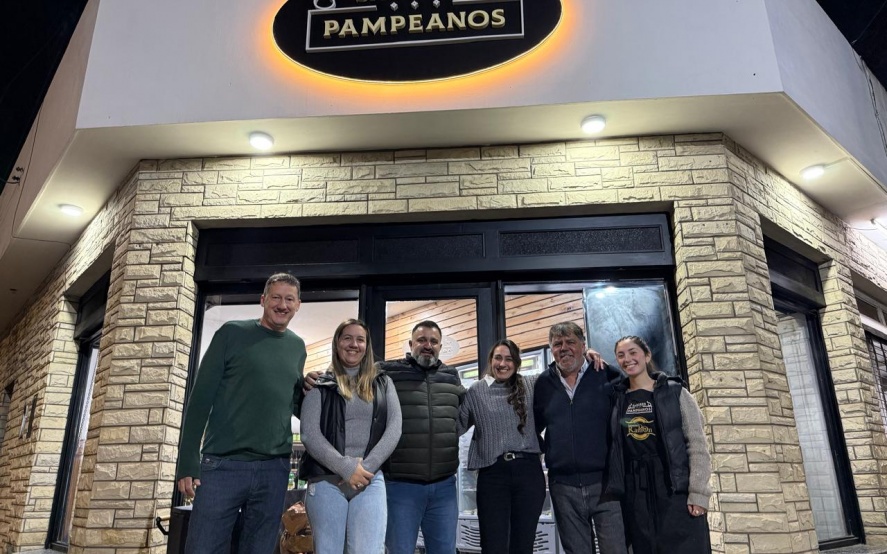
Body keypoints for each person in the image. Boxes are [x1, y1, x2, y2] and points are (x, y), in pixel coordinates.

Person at [175, 273, 307, 554]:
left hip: (274, 469)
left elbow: (291, 401)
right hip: (223, 465)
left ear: (298, 305)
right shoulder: (231, 333)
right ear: (263, 300)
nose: (282, 305)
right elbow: (200, 398)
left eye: (289, 299)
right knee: (203, 548)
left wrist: (314, 389)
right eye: (276, 297)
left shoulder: (297, 346)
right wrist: (187, 459)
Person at [299, 318, 403, 554]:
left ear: (367, 346)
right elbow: (309, 434)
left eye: (360, 339)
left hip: (369, 480)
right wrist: (346, 468)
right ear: (337, 343)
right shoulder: (320, 384)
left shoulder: (383, 383)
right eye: (347, 338)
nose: (353, 344)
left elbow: (394, 428)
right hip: (326, 481)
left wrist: (364, 469)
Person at [608, 336, 712, 553]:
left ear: (647, 356)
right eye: (621, 355)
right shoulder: (617, 398)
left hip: (673, 487)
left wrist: (698, 492)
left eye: (633, 352)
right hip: (636, 492)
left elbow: (697, 444)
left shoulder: (675, 392)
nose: (627, 359)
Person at [533, 322, 627, 554]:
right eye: (557, 344)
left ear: (583, 346)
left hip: (606, 484)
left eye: (570, 342)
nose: (564, 348)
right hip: (563, 487)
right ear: (551, 349)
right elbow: (533, 427)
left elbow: (626, 422)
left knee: (616, 550)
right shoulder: (543, 383)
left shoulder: (607, 374)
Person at [380, 320, 466, 554]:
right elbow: (352, 375)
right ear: (411, 344)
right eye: (422, 340)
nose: (428, 345)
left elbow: (463, 416)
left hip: (444, 487)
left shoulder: (451, 376)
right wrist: (320, 377)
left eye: (433, 341)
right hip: (400, 486)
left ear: (440, 347)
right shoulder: (388, 372)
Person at [458, 339, 545, 554]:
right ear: (491, 360)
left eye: (509, 359)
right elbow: (456, 427)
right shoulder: (477, 391)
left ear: (516, 363)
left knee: (523, 544)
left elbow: (559, 371)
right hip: (492, 474)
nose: (503, 364)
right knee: (493, 544)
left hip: (528, 472)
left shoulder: (531, 384)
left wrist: (588, 355)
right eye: (498, 358)